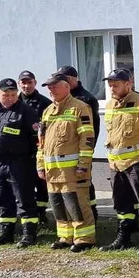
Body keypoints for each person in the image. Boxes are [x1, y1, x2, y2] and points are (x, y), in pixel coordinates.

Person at [37, 72, 98, 252]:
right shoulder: (48, 111)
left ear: (66, 86)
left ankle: (84, 238)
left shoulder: (80, 107)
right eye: (49, 87)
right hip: (53, 170)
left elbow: (87, 139)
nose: (51, 89)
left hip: (73, 170)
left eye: (55, 86)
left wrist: (83, 165)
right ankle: (65, 236)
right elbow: (41, 142)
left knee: (77, 204)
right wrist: (40, 165)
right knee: (58, 205)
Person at [102, 68, 139, 252]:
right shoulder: (110, 104)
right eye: (110, 85)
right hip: (116, 164)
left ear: (128, 84)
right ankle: (124, 236)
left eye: (116, 85)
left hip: (138, 162)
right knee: (121, 202)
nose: (112, 88)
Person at [0, 78, 42, 247]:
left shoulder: (26, 111)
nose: (10, 98)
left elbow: (36, 139)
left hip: (19, 163)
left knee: (24, 199)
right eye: (6, 94)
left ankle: (29, 234)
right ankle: (6, 232)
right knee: (3, 199)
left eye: (13, 94)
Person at [58, 66, 102, 218]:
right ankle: (73, 214)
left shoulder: (85, 99)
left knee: (84, 184)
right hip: (65, 153)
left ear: (70, 80)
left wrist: (86, 153)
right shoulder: (63, 98)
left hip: (81, 151)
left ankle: (91, 214)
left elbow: (91, 131)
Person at [17, 70, 52, 226]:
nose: (26, 86)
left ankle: (41, 212)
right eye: (23, 83)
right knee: (24, 184)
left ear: (35, 83)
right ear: (19, 84)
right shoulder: (14, 101)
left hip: (38, 150)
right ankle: (28, 212)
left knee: (41, 184)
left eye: (29, 82)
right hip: (19, 151)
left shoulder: (44, 103)